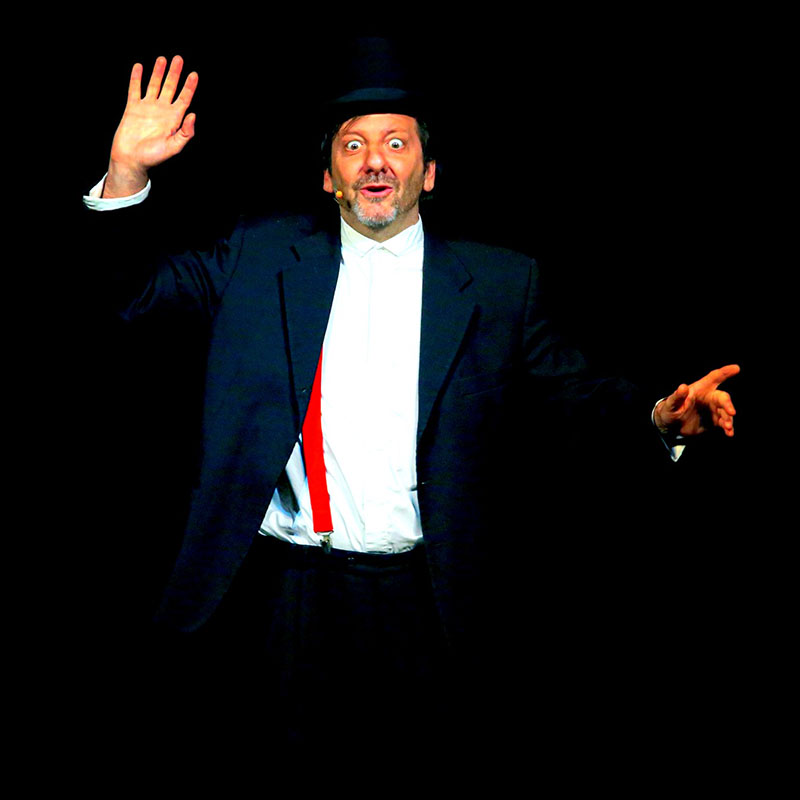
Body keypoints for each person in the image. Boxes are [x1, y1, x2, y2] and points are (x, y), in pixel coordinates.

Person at [85, 52, 739, 751]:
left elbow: (572, 394)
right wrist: (126, 172)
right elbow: (133, 295)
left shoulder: (499, 283)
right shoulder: (258, 256)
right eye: (353, 146)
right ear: (329, 177)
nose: (375, 160)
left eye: (397, 144)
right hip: (285, 597)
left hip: (431, 600)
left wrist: (659, 418)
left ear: (427, 173)